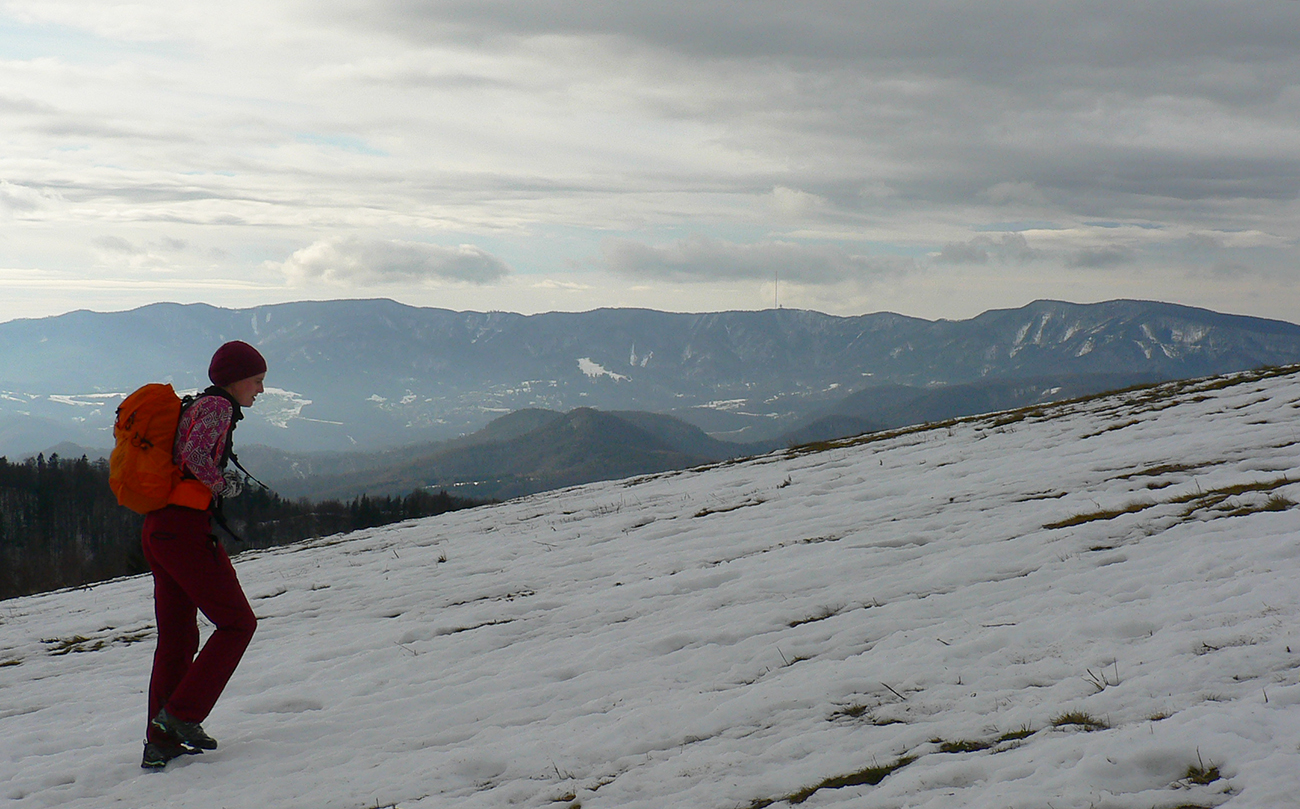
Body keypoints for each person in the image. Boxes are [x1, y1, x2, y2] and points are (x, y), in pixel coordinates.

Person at [140, 341, 266, 769]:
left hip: (160, 530)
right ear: (236, 379)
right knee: (238, 623)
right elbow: (195, 454)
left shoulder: (198, 403)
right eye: (256, 381)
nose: (260, 390)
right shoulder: (218, 407)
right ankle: (181, 716)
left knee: (177, 640)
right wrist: (223, 484)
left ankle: (160, 742)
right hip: (185, 532)